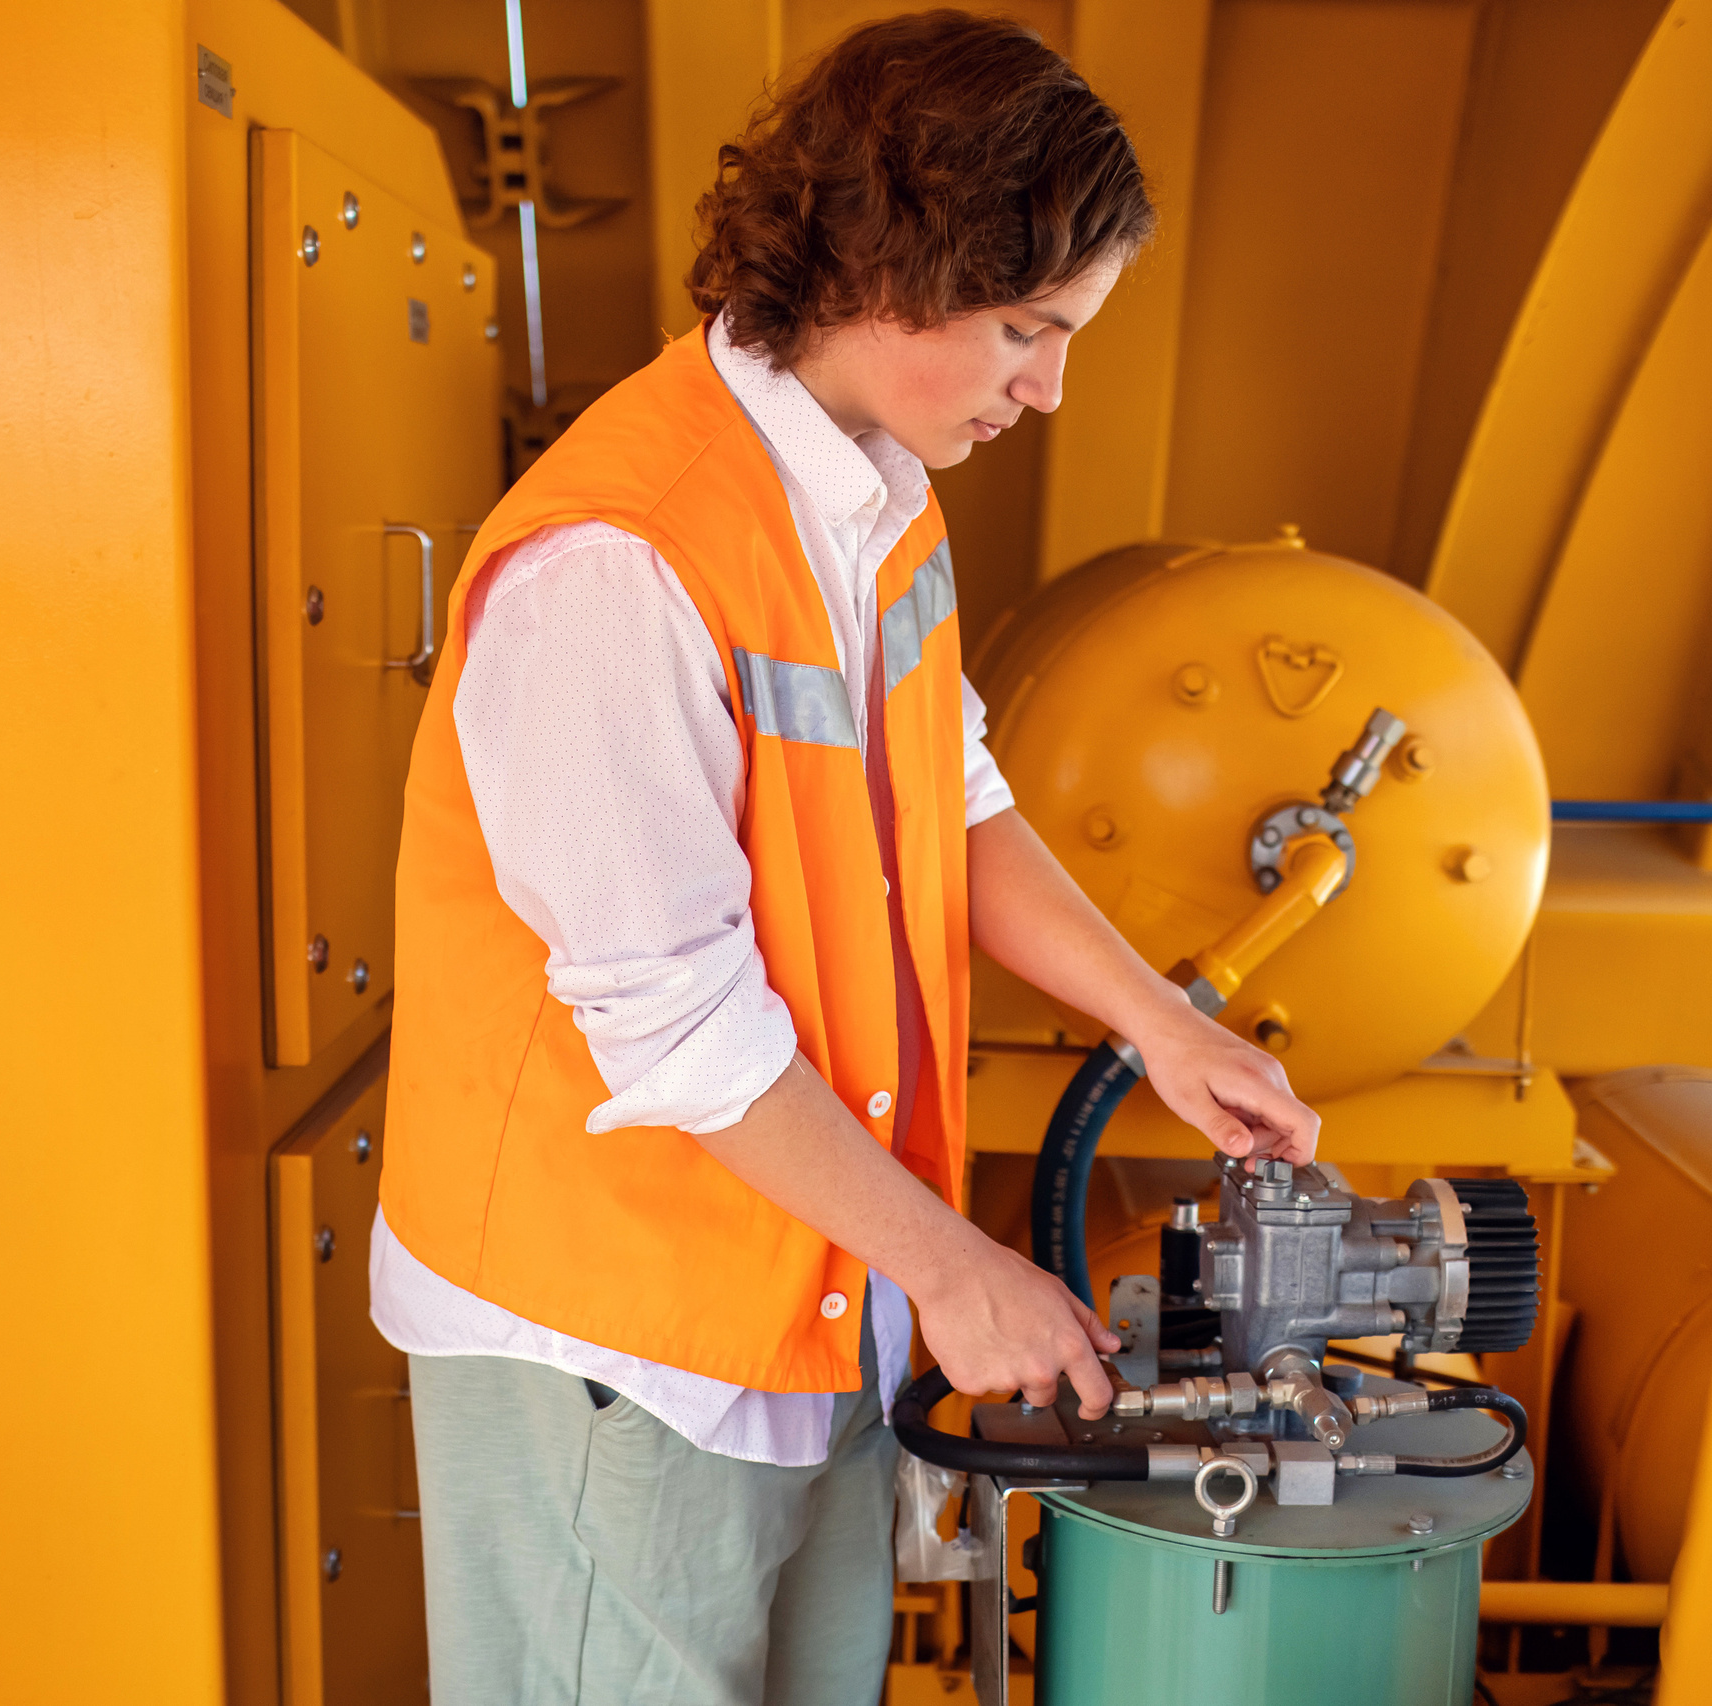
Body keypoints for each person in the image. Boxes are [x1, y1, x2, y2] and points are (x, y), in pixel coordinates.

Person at [373, 12, 1317, 1703]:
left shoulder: (877, 497)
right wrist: (957, 1268)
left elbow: (949, 801)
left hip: (815, 1296)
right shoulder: (619, 562)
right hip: (622, 1353)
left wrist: (1161, 1024)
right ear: (893, 266)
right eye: (1030, 327)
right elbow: (679, 1029)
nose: (1050, 384)